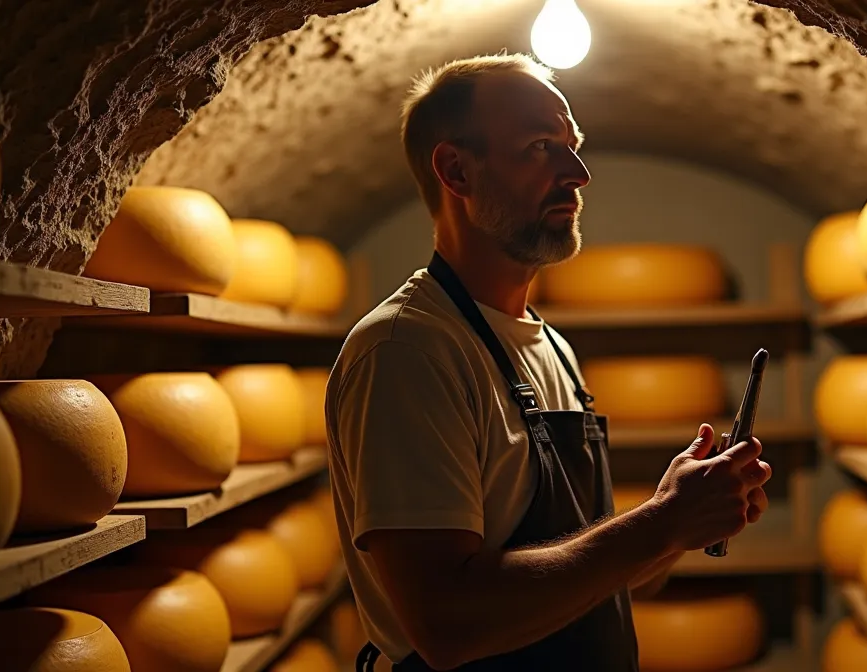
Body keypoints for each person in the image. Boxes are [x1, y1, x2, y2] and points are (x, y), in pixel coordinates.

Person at [325, 53, 772, 672]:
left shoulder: (550, 346)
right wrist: (660, 524)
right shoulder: (409, 351)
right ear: (456, 170)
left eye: (574, 144)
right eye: (542, 147)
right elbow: (447, 623)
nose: (579, 173)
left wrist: (680, 522)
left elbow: (606, 579)